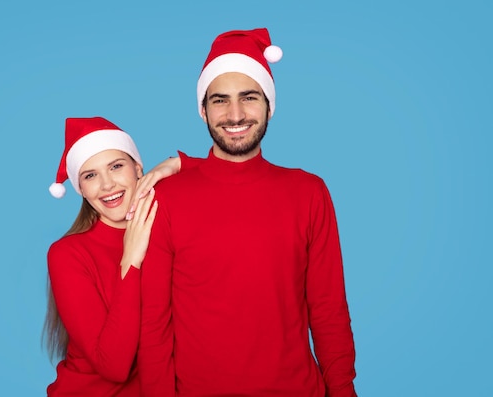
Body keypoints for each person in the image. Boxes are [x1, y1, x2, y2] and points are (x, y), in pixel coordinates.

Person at [138, 28, 358, 397]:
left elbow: (328, 310)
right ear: (203, 110)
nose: (235, 114)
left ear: (269, 106)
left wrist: (343, 391)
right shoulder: (167, 198)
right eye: (220, 100)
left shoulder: (309, 192)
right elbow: (154, 325)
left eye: (249, 97)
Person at [42, 117, 187, 397]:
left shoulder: (167, 229)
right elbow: (114, 366)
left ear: (138, 168)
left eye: (116, 166)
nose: (107, 184)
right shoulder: (67, 254)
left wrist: (176, 163)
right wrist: (130, 261)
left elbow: (225, 172)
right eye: (90, 175)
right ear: (80, 189)